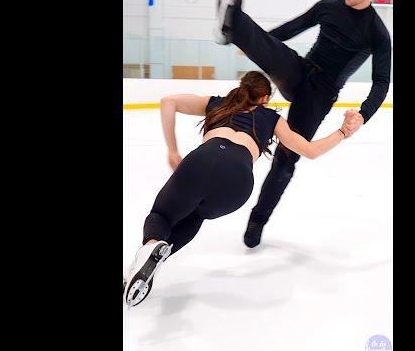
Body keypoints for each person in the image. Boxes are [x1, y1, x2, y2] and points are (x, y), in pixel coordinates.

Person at [123, 71, 360, 307]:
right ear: (265, 98)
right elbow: (310, 151)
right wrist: (343, 132)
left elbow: (168, 101)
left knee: (161, 216)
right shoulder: (272, 118)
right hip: (239, 182)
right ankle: (149, 263)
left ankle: (151, 247)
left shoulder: (217, 103)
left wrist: (173, 151)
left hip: (204, 159)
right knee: (196, 215)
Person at [214, 0, 392, 248]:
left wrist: (363, 113)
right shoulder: (328, 7)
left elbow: (382, 81)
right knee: (278, 54)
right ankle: (233, 24)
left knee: (286, 159)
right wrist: (256, 44)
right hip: (301, 71)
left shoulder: (377, 33)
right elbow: (289, 30)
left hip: (320, 96)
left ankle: (258, 220)